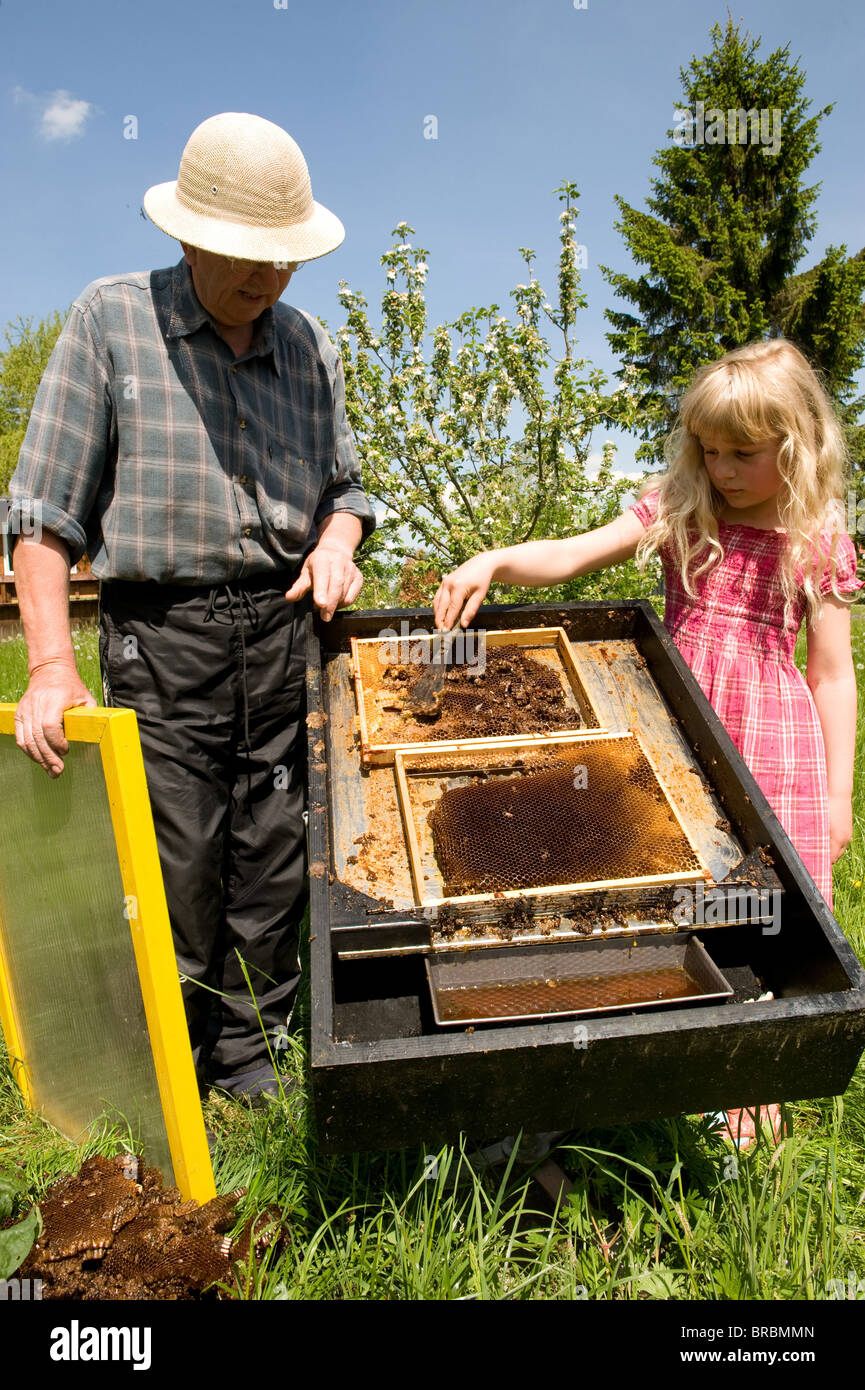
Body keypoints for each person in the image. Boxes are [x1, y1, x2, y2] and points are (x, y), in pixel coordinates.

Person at [8, 113, 375, 1103]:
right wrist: (50, 668)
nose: (272, 280)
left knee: (269, 858)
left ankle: (252, 1068)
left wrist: (338, 541)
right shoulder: (111, 320)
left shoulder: (309, 348)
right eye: (251, 260)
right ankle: (162, 1078)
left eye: (285, 261)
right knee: (174, 868)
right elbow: (41, 516)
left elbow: (348, 490)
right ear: (189, 236)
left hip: (287, 630)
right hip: (162, 637)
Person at [434, 338, 861, 1148]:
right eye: (709, 450)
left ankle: (748, 1099)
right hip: (677, 731)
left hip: (776, 745)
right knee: (671, 890)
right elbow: (570, 554)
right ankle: (647, 1059)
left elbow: (833, 674)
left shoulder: (816, 531)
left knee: (768, 913)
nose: (723, 468)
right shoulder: (678, 506)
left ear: (797, 446)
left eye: (743, 453)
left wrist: (838, 796)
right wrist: (493, 559)